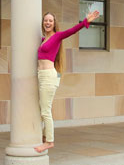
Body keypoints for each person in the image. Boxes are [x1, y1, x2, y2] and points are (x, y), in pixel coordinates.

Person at [35, 9, 100, 153]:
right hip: (42, 75)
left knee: (45, 110)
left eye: (50, 20)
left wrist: (85, 21)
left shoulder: (57, 36)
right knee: (44, 108)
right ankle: (44, 135)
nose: (48, 22)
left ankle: (49, 141)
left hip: (48, 76)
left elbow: (72, 31)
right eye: (46, 20)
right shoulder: (43, 39)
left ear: (54, 23)